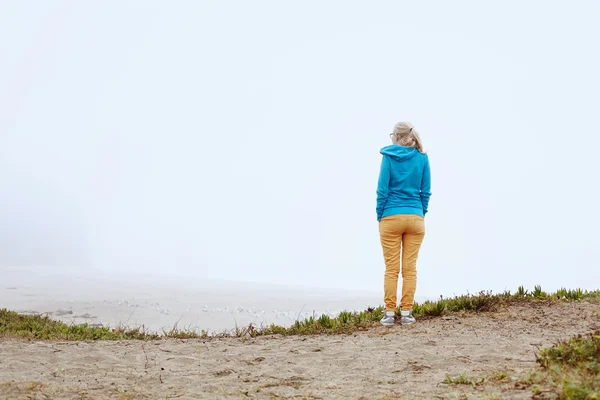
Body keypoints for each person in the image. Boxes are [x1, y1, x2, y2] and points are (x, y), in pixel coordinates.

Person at [376, 122, 431, 326]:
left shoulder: (389, 157)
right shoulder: (423, 158)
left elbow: (382, 190)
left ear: (397, 137)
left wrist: (380, 215)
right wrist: (420, 213)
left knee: (392, 269)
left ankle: (389, 314)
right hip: (415, 218)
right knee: (410, 269)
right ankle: (407, 313)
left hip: (391, 216)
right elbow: (425, 191)